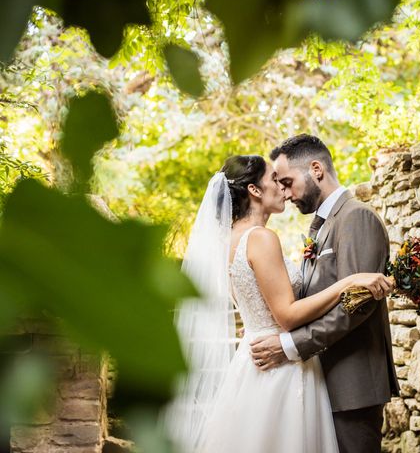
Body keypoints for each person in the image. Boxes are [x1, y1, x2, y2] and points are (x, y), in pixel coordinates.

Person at [162, 154, 393, 453]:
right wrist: (347, 282)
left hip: (254, 361)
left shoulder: (230, 239)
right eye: (274, 179)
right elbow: (287, 316)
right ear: (254, 191)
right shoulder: (261, 238)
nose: (283, 188)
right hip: (279, 368)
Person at [250, 135, 400, 453]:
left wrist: (290, 346)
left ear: (316, 169)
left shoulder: (356, 217)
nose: (285, 194)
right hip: (321, 383)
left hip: (352, 386)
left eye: (288, 182)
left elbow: (357, 306)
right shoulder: (320, 227)